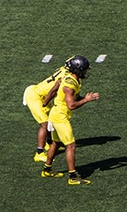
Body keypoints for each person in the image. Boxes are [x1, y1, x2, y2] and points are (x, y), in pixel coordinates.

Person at [41, 55, 100, 185]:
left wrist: (86, 97)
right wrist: (86, 100)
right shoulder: (70, 84)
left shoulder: (72, 79)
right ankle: (72, 177)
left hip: (57, 114)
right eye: (84, 69)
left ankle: (47, 169)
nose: (85, 72)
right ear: (78, 69)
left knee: (56, 144)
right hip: (60, 117)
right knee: (71, 145)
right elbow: (71, 105)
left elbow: (57, 89)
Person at [25, 60, 70, 164]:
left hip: (41, 94)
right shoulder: (65, 77)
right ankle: (39, 153)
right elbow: (53, 90)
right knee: (44, 124)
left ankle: (49, 143)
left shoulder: (64, 69)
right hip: (36, 97)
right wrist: (45, 103)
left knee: (51, 121)